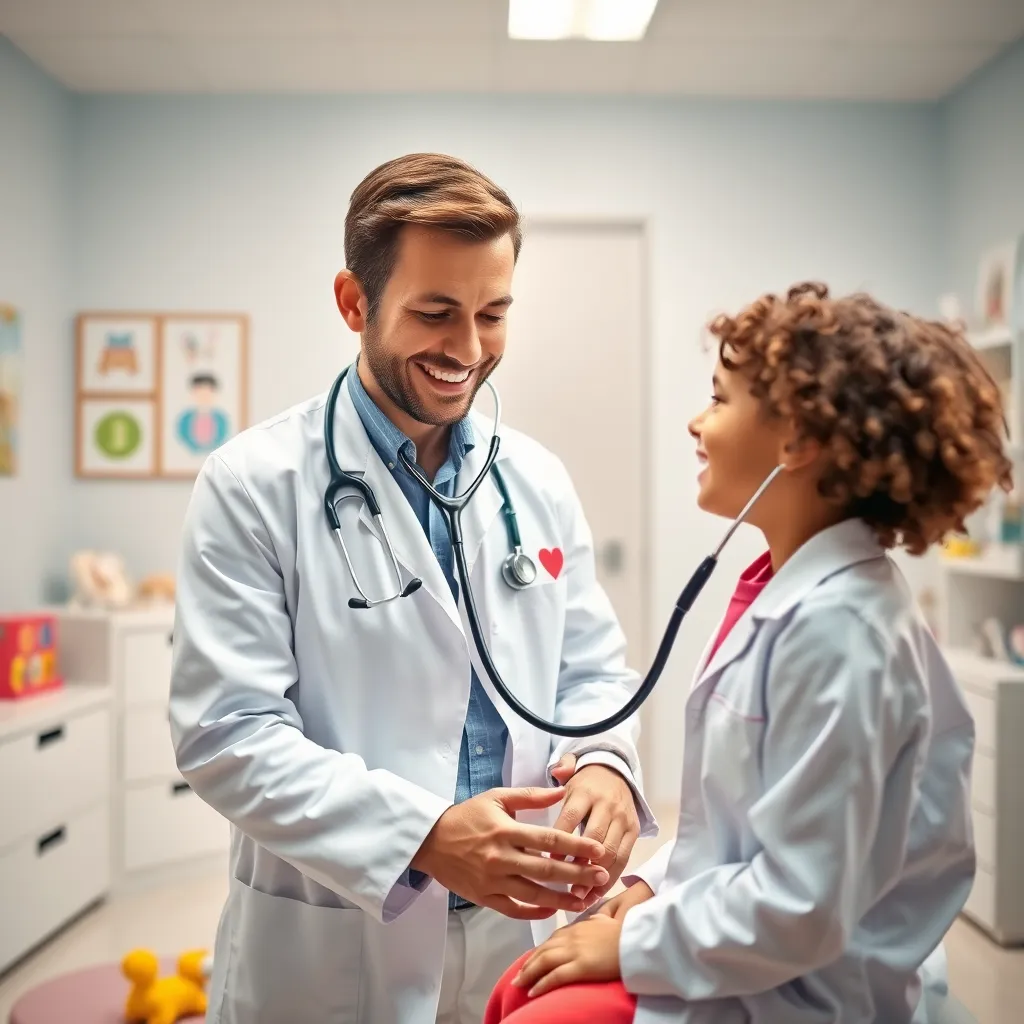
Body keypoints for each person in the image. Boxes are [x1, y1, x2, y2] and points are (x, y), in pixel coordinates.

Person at [168, 152, 656, 1024]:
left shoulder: (535, 480)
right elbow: (226, 735)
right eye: (434, 313)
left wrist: (612, 768)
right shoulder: (252, 483)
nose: (468, 351)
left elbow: (594, 676)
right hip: (339, 941)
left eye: (493, 314)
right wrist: (427, 837)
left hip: (526, 929)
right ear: (355, 304)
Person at [486, 282, 1013, 1023]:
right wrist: (645, 890)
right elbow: (743, 824)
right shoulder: (781, 591)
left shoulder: (844, 634)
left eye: (720, 399)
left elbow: (803, 902)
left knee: (536, 1008)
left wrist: (635, 939)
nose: (697, 423)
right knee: (522, 987)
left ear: (797, 441)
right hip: (745, 951)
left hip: (803, 991)